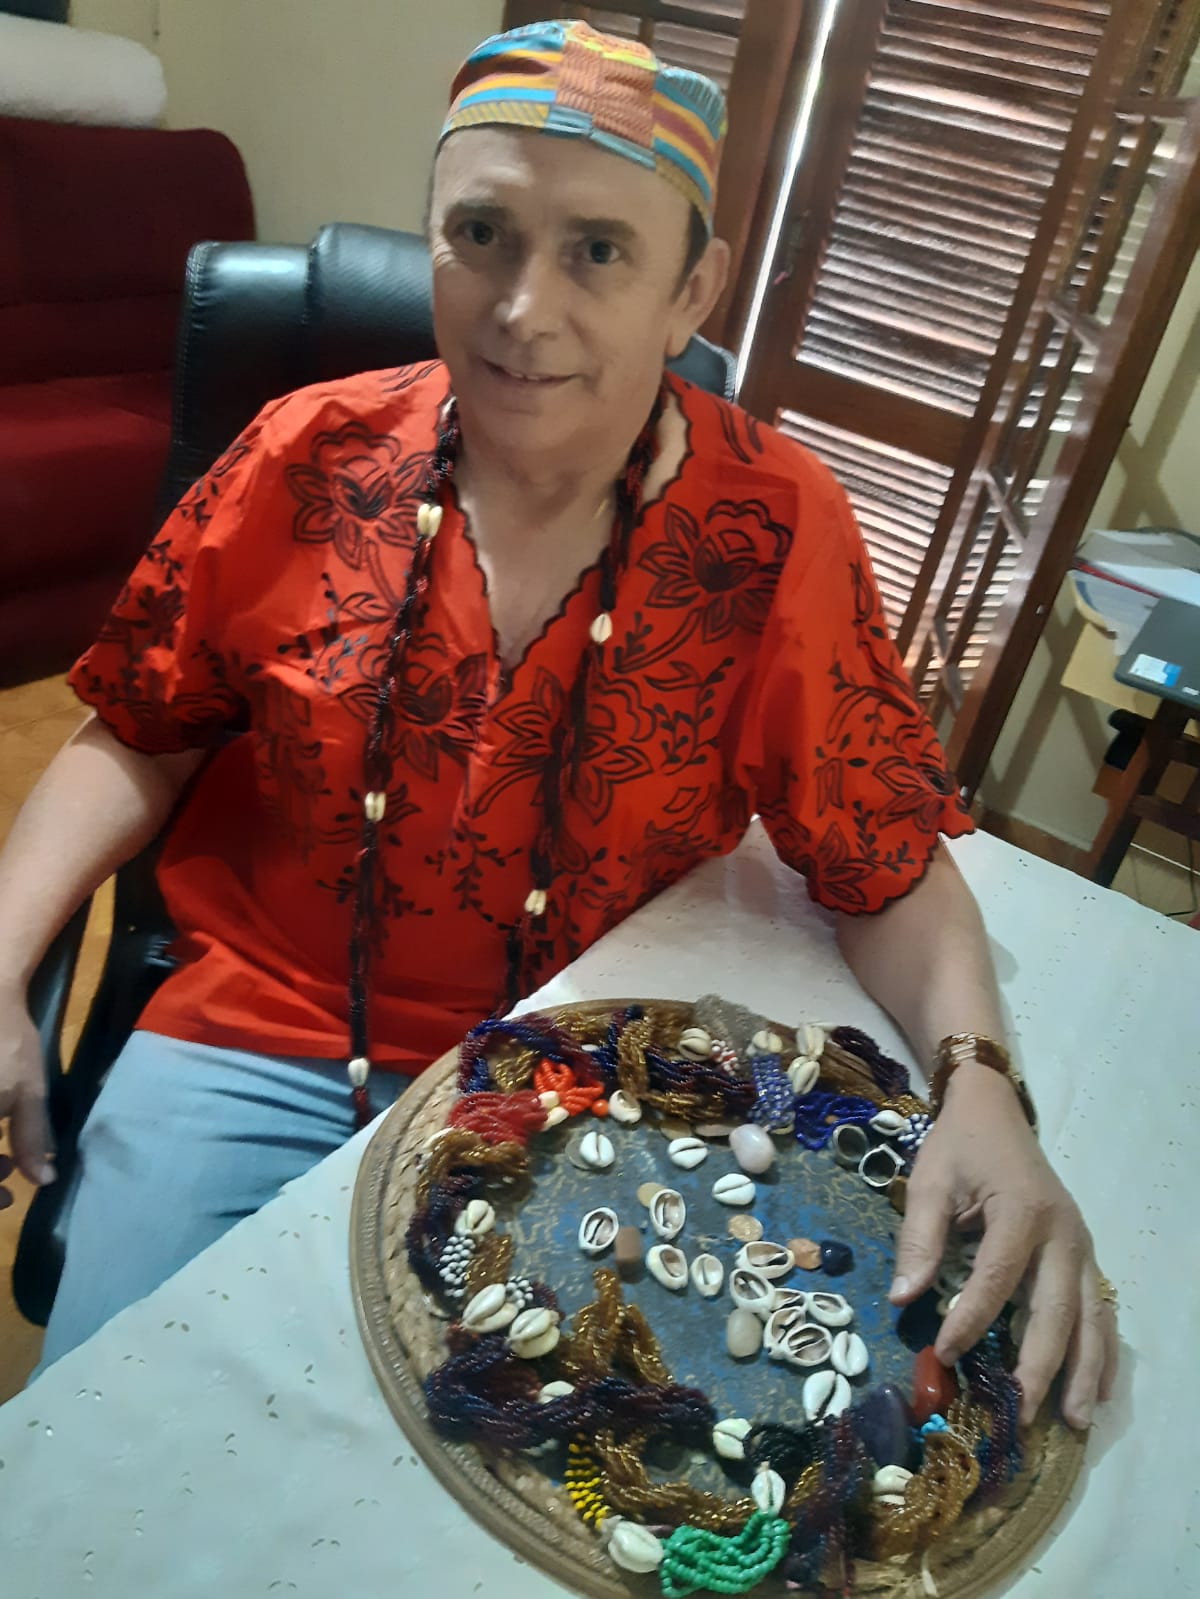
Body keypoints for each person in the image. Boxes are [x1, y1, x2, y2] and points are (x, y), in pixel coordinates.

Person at [0, 19, 1116, 1420]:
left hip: (589, 1074)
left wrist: (980, 1086)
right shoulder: (305, 455)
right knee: (112, 1428)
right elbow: (138, 728)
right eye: (483, 235)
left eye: (599, 250)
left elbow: (881, 855)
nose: (524, 311)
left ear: (691, 290)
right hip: (255, 1039)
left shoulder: (775, 532)